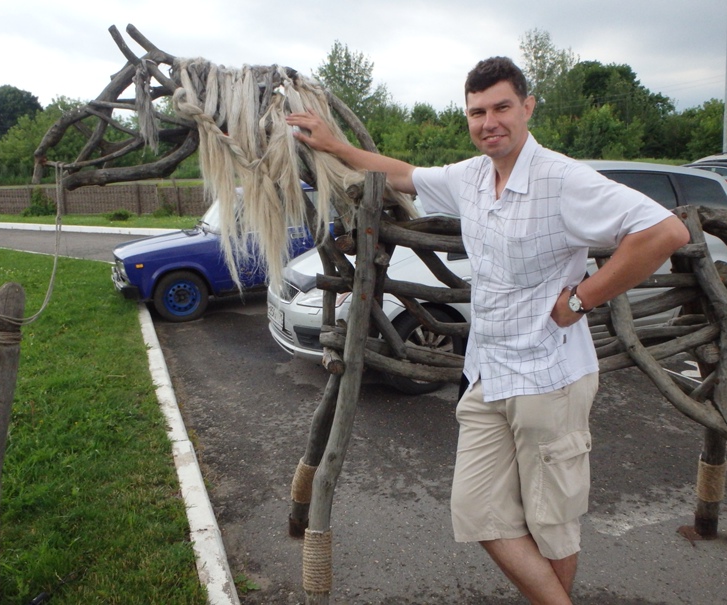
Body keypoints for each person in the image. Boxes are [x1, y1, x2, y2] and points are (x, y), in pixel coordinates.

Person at [287, 57, 689, 604]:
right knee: (476, 510)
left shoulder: (563, 179)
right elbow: (401, 172)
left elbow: (664, 231)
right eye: (477, 111)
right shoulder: (471, 177)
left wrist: (580, 299)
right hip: (487, 375)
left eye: (501, 106)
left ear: (527, 107)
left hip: (550, 378)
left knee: (552, 524)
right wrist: (334, 145)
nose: (488, 121)